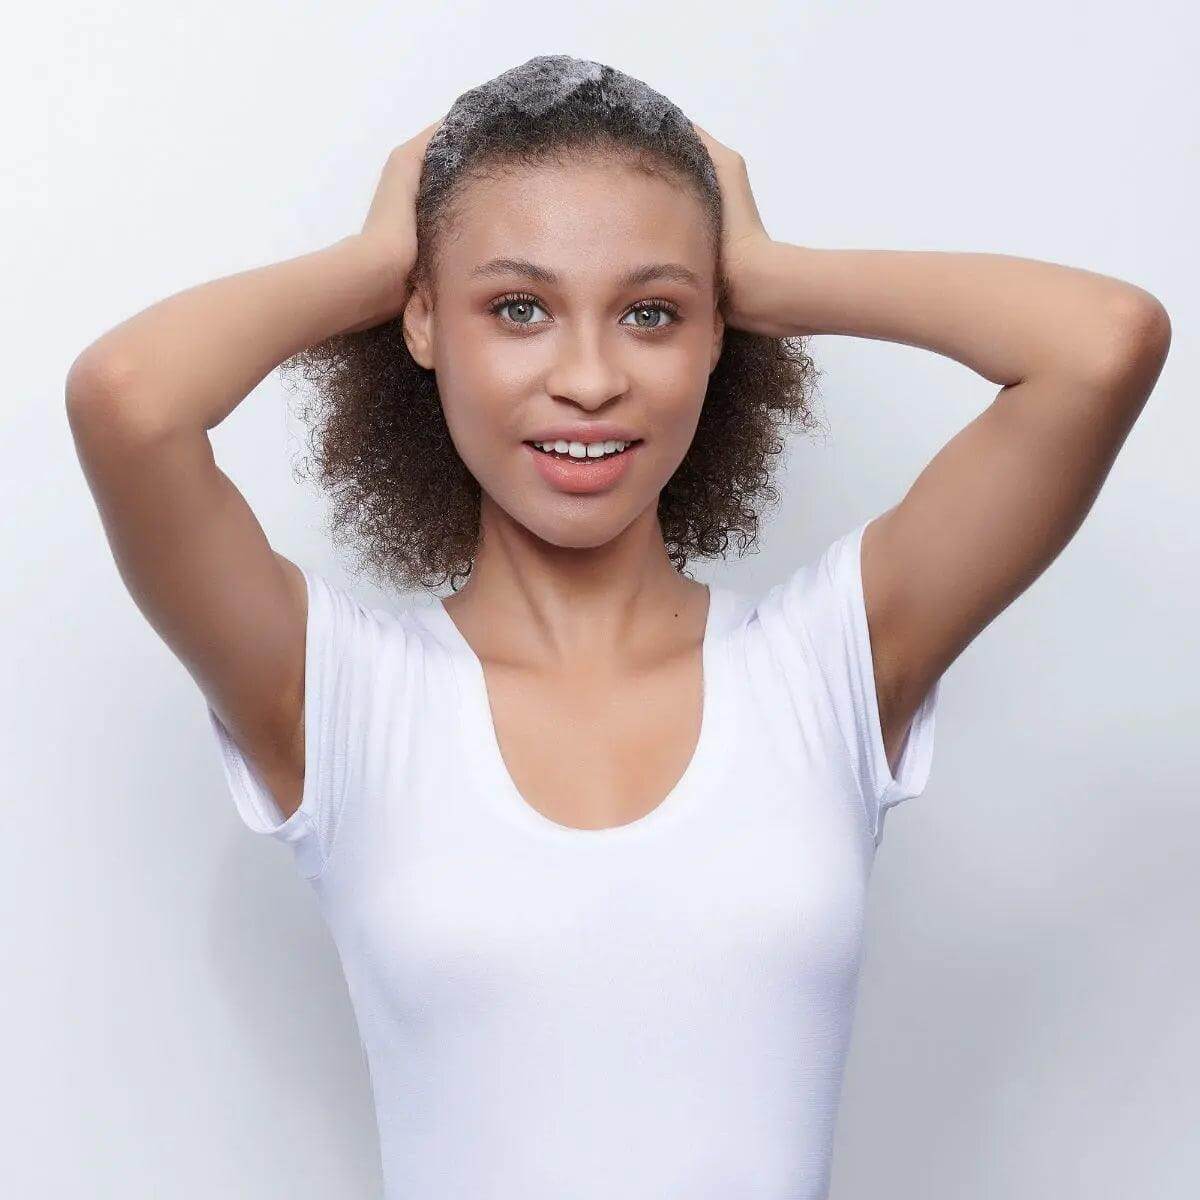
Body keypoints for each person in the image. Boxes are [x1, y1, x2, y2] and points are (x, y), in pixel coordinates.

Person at [66, 54, 1170, 1200]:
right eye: (517, 308)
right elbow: (130, 398)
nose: (589, 377)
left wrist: (779, 280)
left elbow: (1102, 344)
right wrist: (371, 263)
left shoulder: (833, 661)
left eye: (651, 312)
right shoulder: (337, 695)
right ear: (425, 321)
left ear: (714, 335)